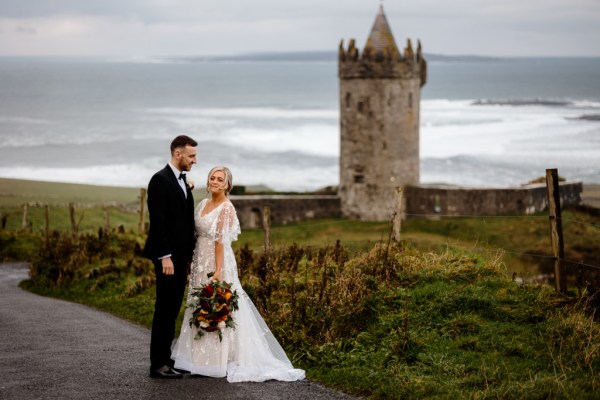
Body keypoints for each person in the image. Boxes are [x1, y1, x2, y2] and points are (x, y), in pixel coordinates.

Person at [171, 166, 305, 382]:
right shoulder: (203, 203)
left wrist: (217, 271)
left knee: (217, 305)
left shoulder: (226, 208)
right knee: (199, 304)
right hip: (199, 259)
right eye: (212, 178)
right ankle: (197, 357)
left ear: (227, 185)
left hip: (217, 261)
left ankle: (218, 359)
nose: (214, 182)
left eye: (219, 179)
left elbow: (220, 242)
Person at [142, 135, 197, 379]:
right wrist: (165, 257)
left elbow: (182, 219)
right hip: (168, 259)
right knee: (164, 308)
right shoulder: (159, 180)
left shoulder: (181, 181)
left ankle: (166, 357)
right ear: (178, 154)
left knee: (173, 308)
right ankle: (158, 365)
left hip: (179, 257)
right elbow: (159, 223)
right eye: (191, 156)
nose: (195, 160)